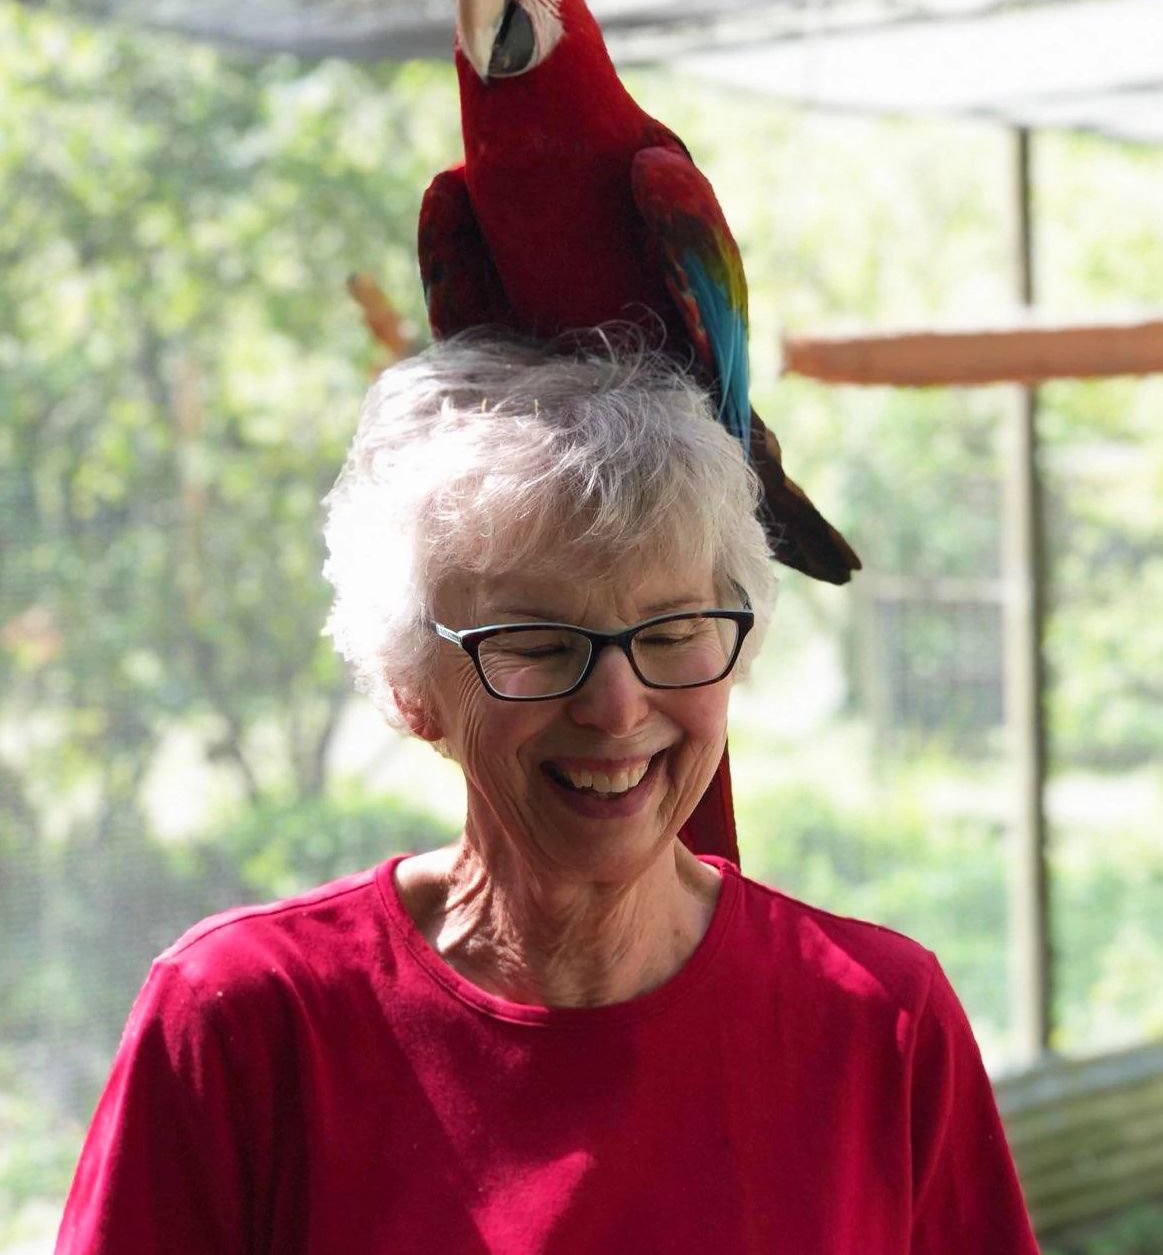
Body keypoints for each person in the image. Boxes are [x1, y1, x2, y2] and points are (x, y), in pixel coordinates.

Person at [56, 334, 1040, 1254]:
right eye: (535, 643)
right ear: (412, 690)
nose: (615, 709)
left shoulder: (880, 1021)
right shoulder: (244, 1021)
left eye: (670, 632)